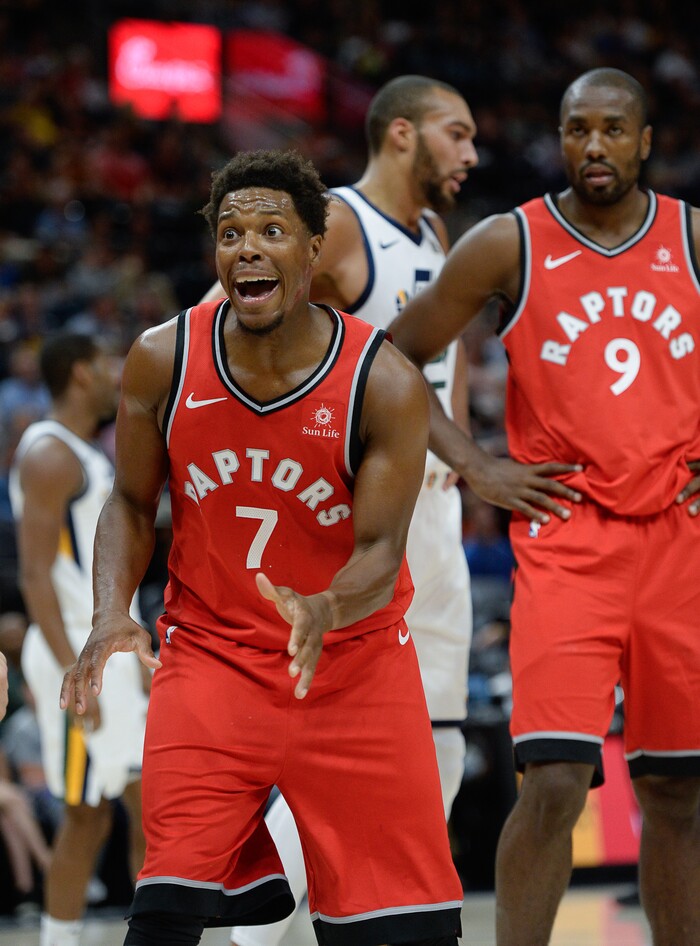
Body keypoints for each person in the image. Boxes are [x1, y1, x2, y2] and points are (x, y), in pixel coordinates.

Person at [60, 149, 464, 946]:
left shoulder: (381, 381)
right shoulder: (161, 357)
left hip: (353, 668)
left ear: (315, 247)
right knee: (164, 915)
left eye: (272, 230)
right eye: (231, 232)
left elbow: (383, 549)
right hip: (211, 662)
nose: (247, 247)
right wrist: (112, 610)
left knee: (400, 934)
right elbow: (133, 501)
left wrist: (327, 604)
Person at [389, 67, 700, 946]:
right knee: (557, 782)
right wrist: (475, 465)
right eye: (576, 130)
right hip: (570, 544)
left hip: (679, 542)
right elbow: (393, 358)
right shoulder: (508, 242)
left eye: (611, 129)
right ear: (558, 138)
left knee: (678, 790)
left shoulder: (691, 237)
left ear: (645, 141)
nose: (592, 147)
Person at [199, 74, 479, 946]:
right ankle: (260, 933)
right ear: (402, 134)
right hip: (358, 519)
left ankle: (356, 918)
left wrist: (464, 459)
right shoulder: (345, 225)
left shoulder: (434, 233)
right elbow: (218, 324)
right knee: (346, 763)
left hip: (434, 516)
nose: (471, 154)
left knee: (439, 751)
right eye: (455, 134)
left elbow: (444, 364)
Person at [9, 333, 149, 946]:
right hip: (79, 655)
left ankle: (63, 939)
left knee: (92, 815)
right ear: (77, 374)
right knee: (146, 807)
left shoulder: (81, 452)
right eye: (102, 363)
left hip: (103, 653)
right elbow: (35, 574)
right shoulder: (48, 454)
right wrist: (77, 671)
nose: (114, 371)